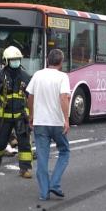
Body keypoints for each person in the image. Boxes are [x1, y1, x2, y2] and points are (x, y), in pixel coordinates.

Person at [26, 49, 72, 201]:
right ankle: (55, 183)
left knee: (42, 157)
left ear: (47, 60)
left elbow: (30, 96)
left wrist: (31, 114)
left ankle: (44, 192)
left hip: (40, 122)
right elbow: (64, 98)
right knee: (64, 151)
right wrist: (66, 119)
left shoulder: (38, 75)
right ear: (61, 62)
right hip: (57, 122)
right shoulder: (62, 77)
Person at [0, 46, 33, 178]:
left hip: (21, 116)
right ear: (7, 61)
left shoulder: (25, 76)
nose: (16, 62)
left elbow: (31, 96)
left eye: (17, 59)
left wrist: (32, 115)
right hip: (3, 116)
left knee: (24, 143)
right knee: (1, 142)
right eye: (13, 60)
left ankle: (25, 169)